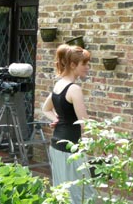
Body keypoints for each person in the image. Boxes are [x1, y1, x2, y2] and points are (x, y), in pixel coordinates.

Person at [42, 44, 96, 203]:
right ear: (73, 65)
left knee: (62, 192)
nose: (87, 67)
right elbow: (85, 123)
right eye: (84, 64)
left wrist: (56, 120)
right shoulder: (74, 89)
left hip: (56, 145)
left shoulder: (59, 84)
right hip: (70, 149)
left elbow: (46, 109)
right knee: (83, 194)